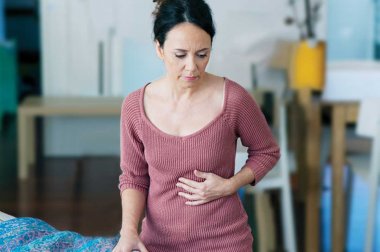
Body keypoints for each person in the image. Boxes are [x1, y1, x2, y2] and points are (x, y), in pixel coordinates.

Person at [113, 0, 280, 251]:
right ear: (159, 49)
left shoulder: (233, 99)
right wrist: (128, 232)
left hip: (225, 242)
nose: (192, 66)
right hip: (158, 244)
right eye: (180, 55)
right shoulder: (135, 107)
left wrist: (230, 184)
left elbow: (267, 151)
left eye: (202, 54)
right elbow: (134, 178)